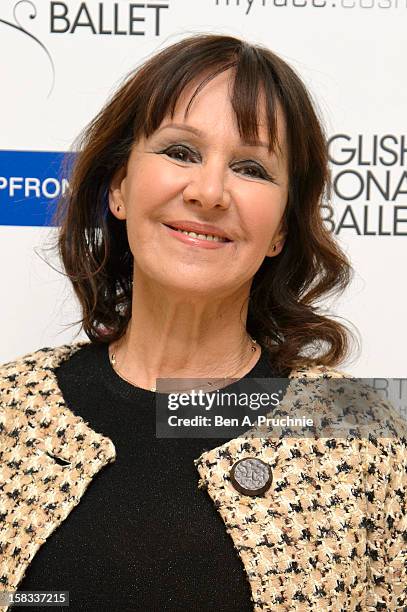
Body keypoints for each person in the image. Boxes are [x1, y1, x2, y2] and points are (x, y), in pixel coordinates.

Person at [0, 33, 406, 612]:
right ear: (119, 186)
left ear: (284, 229)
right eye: (181, 152)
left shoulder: (358, 437)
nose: (210, 192)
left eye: (250, 167)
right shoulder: (10, 411)